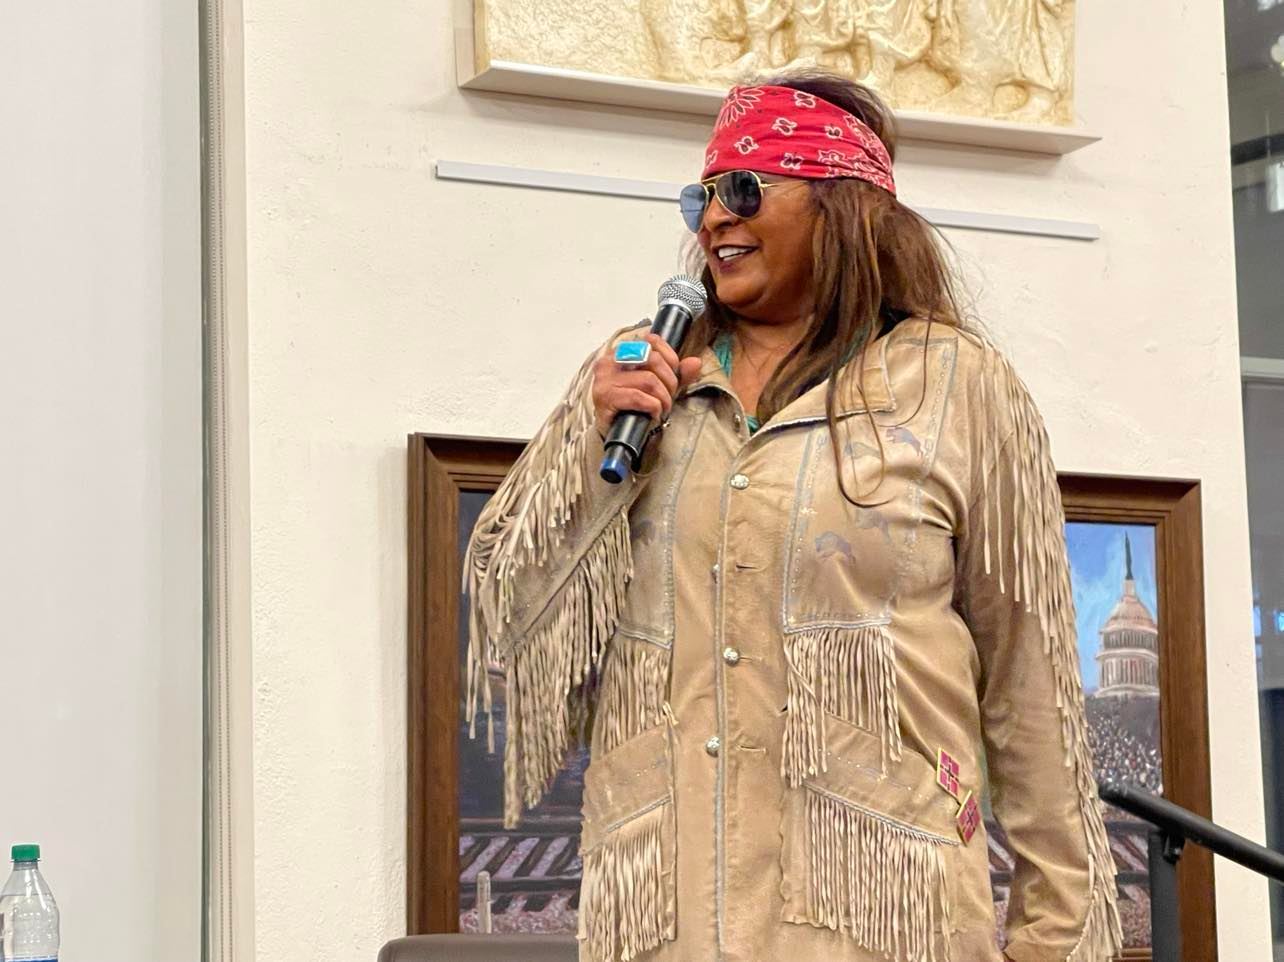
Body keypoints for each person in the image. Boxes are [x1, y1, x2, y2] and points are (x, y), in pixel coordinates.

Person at [464, 70, 1122, 962]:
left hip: (882, 918)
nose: (712, 221)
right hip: (671, 912)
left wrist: (1055, 943)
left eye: (744, 190)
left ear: (841, 203)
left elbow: (1029, 687)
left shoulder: (956, 387)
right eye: (700, 197)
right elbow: (516, 616)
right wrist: (595, 450)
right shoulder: (644, 380)